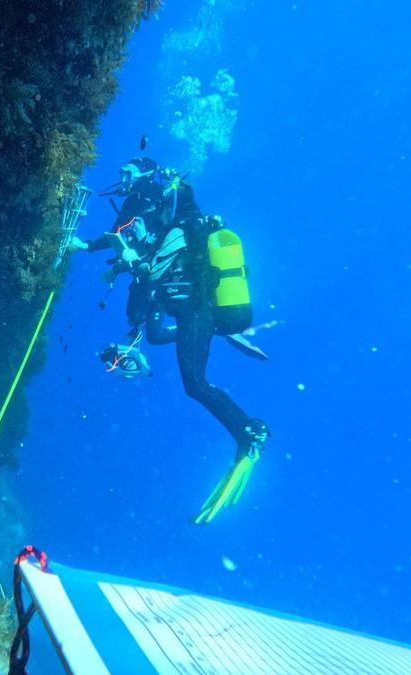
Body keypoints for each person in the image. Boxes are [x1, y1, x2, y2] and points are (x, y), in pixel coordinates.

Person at [72, 157, 270, 524]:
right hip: (192, 311)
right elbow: (127, 246)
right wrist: (89, 248)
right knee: (155, 333)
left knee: (195, 384)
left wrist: (132, 261)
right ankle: (218, 333)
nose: (122, 181)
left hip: (196, 309)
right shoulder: (162, 222)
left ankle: (248, 432)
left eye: (127, 173)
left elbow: (153, 266)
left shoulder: (176, 224)